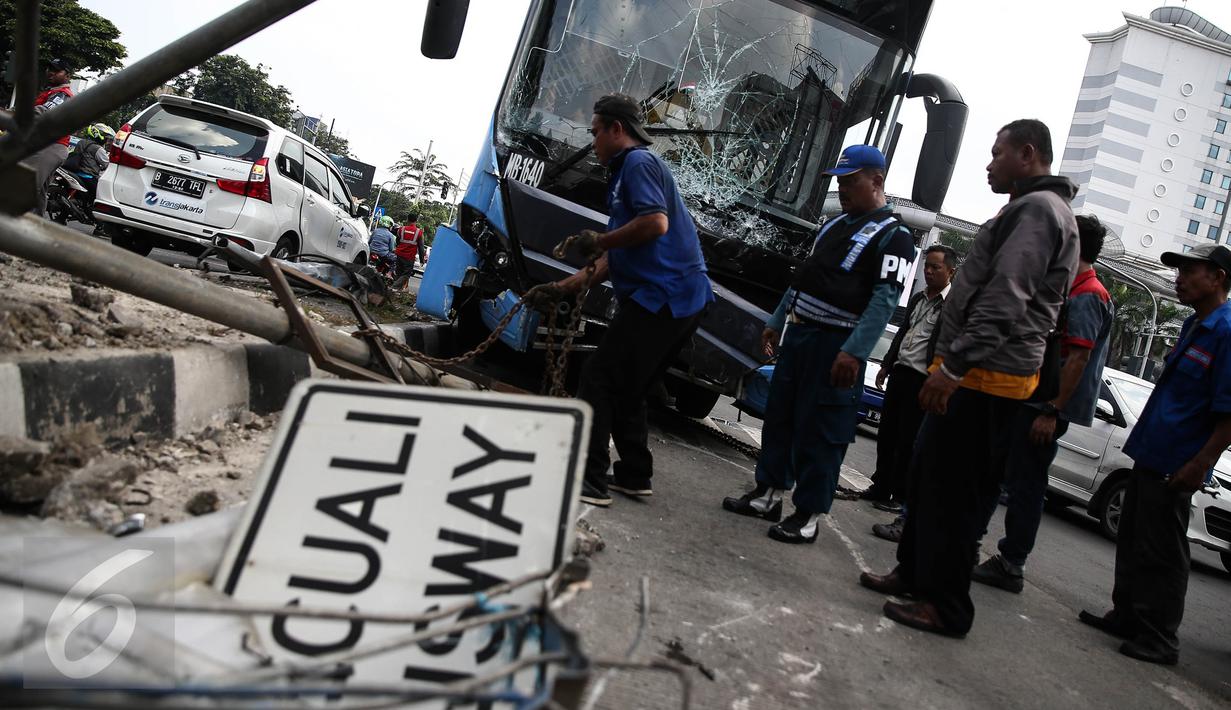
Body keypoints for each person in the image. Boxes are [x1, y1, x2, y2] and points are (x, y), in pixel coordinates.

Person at [860, 119, 1078, 638]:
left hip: (986, 379)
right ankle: (914, 574)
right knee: (927, 480)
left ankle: (947, 606)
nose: (988, 163)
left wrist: (954, 368)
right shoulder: (1029, 208)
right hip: (971, 374)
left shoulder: (1038, 212)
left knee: (957, 495)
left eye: (997, 152)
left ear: (1028, 154)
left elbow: (1006, 297)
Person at [721, 144, 916, 543]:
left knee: (823, 430)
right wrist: (776, 320)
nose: (842, 189)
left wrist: (855, 351)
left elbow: (884, 300)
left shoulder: (894, 237)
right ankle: (768, 493)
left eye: (851, 181)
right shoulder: (831, 227)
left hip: (838, 345)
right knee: (781, 416)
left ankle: (807, 514)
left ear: (876, 181)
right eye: (839, 181)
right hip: (801, 336)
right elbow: (802, 280)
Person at [531, 93, 714, 507]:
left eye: (596, 132)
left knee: (598, 377)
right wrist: (565, 287)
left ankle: (590, 480)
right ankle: (634, 474)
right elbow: (615, 256)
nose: (593, 140)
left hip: (664, 297)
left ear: (617, 129)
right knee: (631, 386)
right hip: (678, 299)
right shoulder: (624, 172)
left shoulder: (638, 163)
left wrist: (599, 239)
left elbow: (655, 224)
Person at [1079, 243, 1231, 665]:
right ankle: (1127, 615)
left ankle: (1160, 637)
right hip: (1152, 450)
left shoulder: (1226, 331)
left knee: (1164, 549)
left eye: (1190, 270)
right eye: (1178, 270)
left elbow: (1228, 412)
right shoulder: (1192, 324)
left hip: (1179, 461)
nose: (1179, 277)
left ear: (1218, 277)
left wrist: (1201, 464)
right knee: (1134, 539)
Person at [972, 214, 1113, 593]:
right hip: (1028, 398)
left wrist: (1053, 410)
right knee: (995, 472)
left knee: (1026, 485)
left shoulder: (1088, 293)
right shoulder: (1071, 287)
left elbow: (1078, 358)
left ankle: (1011, 563)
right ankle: (971, 542)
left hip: (1043, 407)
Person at [861, 244, 958, 542]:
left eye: (935, 268)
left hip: (923, 380)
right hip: (901, 373)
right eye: (926, 266)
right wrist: (886, 365)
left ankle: (898, 494)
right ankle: (880, 485)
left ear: (951, 271)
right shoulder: (918, 298)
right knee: (887, 433)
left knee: (908, 440)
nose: (928, 272)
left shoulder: (952, 305)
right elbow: (903, 334)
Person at [27, 58, 75, 216]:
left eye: (56, 70)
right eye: (49, 68)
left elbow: (44, 112)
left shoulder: (63, 95)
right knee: (39, 191)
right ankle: (36, 228)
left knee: (26, 185)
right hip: (48, 146)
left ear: (67, 75)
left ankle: (14, 225)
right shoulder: (51, 92)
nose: (50, 72)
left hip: (51, 146)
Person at [61, 123, 115, 199]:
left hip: (75, 172)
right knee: (98, 195)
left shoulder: (81, 142)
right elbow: (107, 164)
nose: (106, 141)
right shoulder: (98, 149)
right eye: (106, 138)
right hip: (88, 176)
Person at [393, 214, 426, 288]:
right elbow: (421, 247)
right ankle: (393, 287)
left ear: (407, 219)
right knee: (406, 275)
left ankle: (397, 290)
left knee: (399, 273)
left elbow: (397, 241)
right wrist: (422, 260)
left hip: (399, 255)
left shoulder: (401, 229)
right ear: (416, 221)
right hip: (409, 257)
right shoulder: (419, 232)